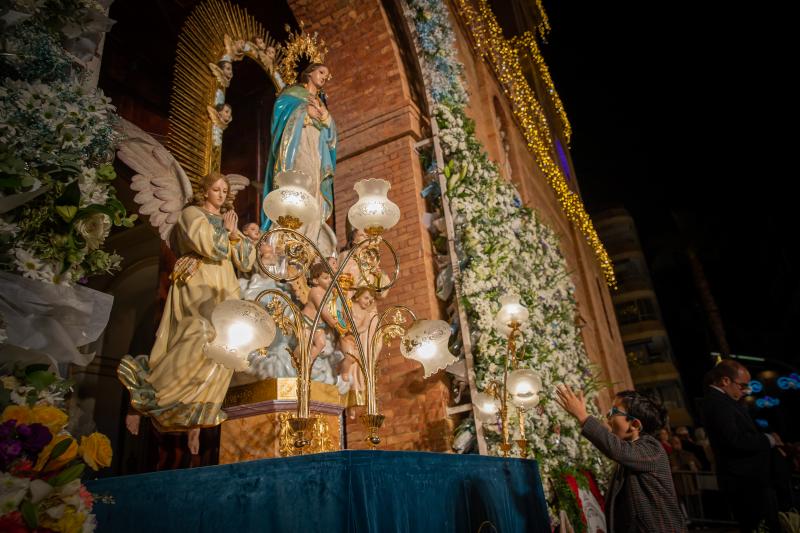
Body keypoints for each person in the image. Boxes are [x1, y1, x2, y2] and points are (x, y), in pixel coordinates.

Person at [118, 172, 255, 454]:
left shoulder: (228, 221)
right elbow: (209, 247)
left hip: (225, 286)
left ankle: (197, 420)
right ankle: (143, 401)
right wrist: (227, 234)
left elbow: (245, 261)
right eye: (216, 189)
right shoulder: (192, 214)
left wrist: (235, 235)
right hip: (200, 281)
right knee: (197, 337)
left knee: (224, 350)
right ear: (205, 192)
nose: (221, 195)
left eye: (224, 191)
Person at [556, 385, 685, 532]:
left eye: (614, 412)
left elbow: (617, 449)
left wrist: (583, 416)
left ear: (634, 424)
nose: (608, 416)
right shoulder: (632, 450)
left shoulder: (652, 448)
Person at [260, 63, 336, 251]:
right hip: (299, 144)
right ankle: (293, 237)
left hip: (317, 148)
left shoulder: (319, 101)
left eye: (326, 75)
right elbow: (279, 113)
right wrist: (304, 113)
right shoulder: (293, 93)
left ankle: (308, 244)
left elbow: (331, 133)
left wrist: (326, 118)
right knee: (304, 184)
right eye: (321, 72)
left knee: (316, 191)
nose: (324, 77)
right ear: (309, 73)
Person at [701, 359, 781, 532]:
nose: (746, 391)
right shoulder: (718, 403)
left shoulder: (723, 401)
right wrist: (768, 440)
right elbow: (734, 439)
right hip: (746, 483)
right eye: (742, 386)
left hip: (749, 481)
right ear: (725, 381)